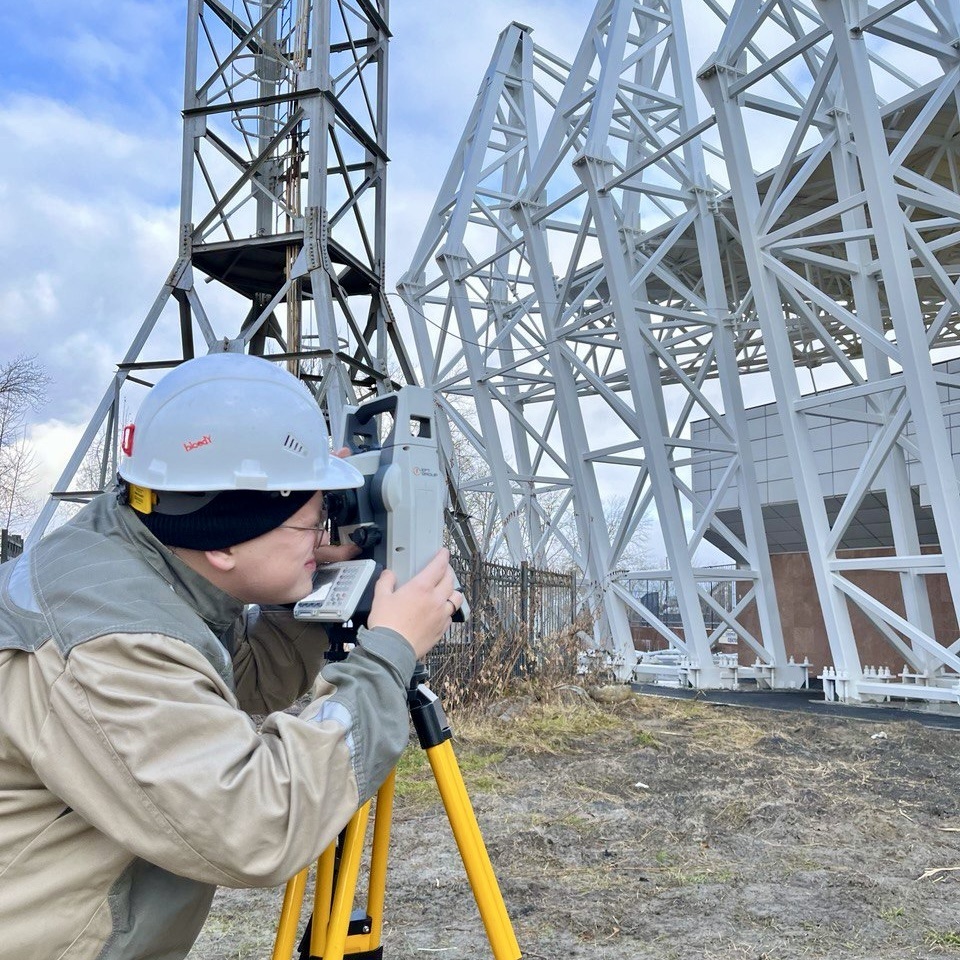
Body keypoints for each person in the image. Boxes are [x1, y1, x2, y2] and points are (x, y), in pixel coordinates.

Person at [0, 352, 462, 960]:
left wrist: (313, 573)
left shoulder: (134, 551)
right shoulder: (109, 643)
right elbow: (256, 823)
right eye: (312, 520)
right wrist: (386, 657)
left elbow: (227, 680)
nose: (326, 530)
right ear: (224, 541)